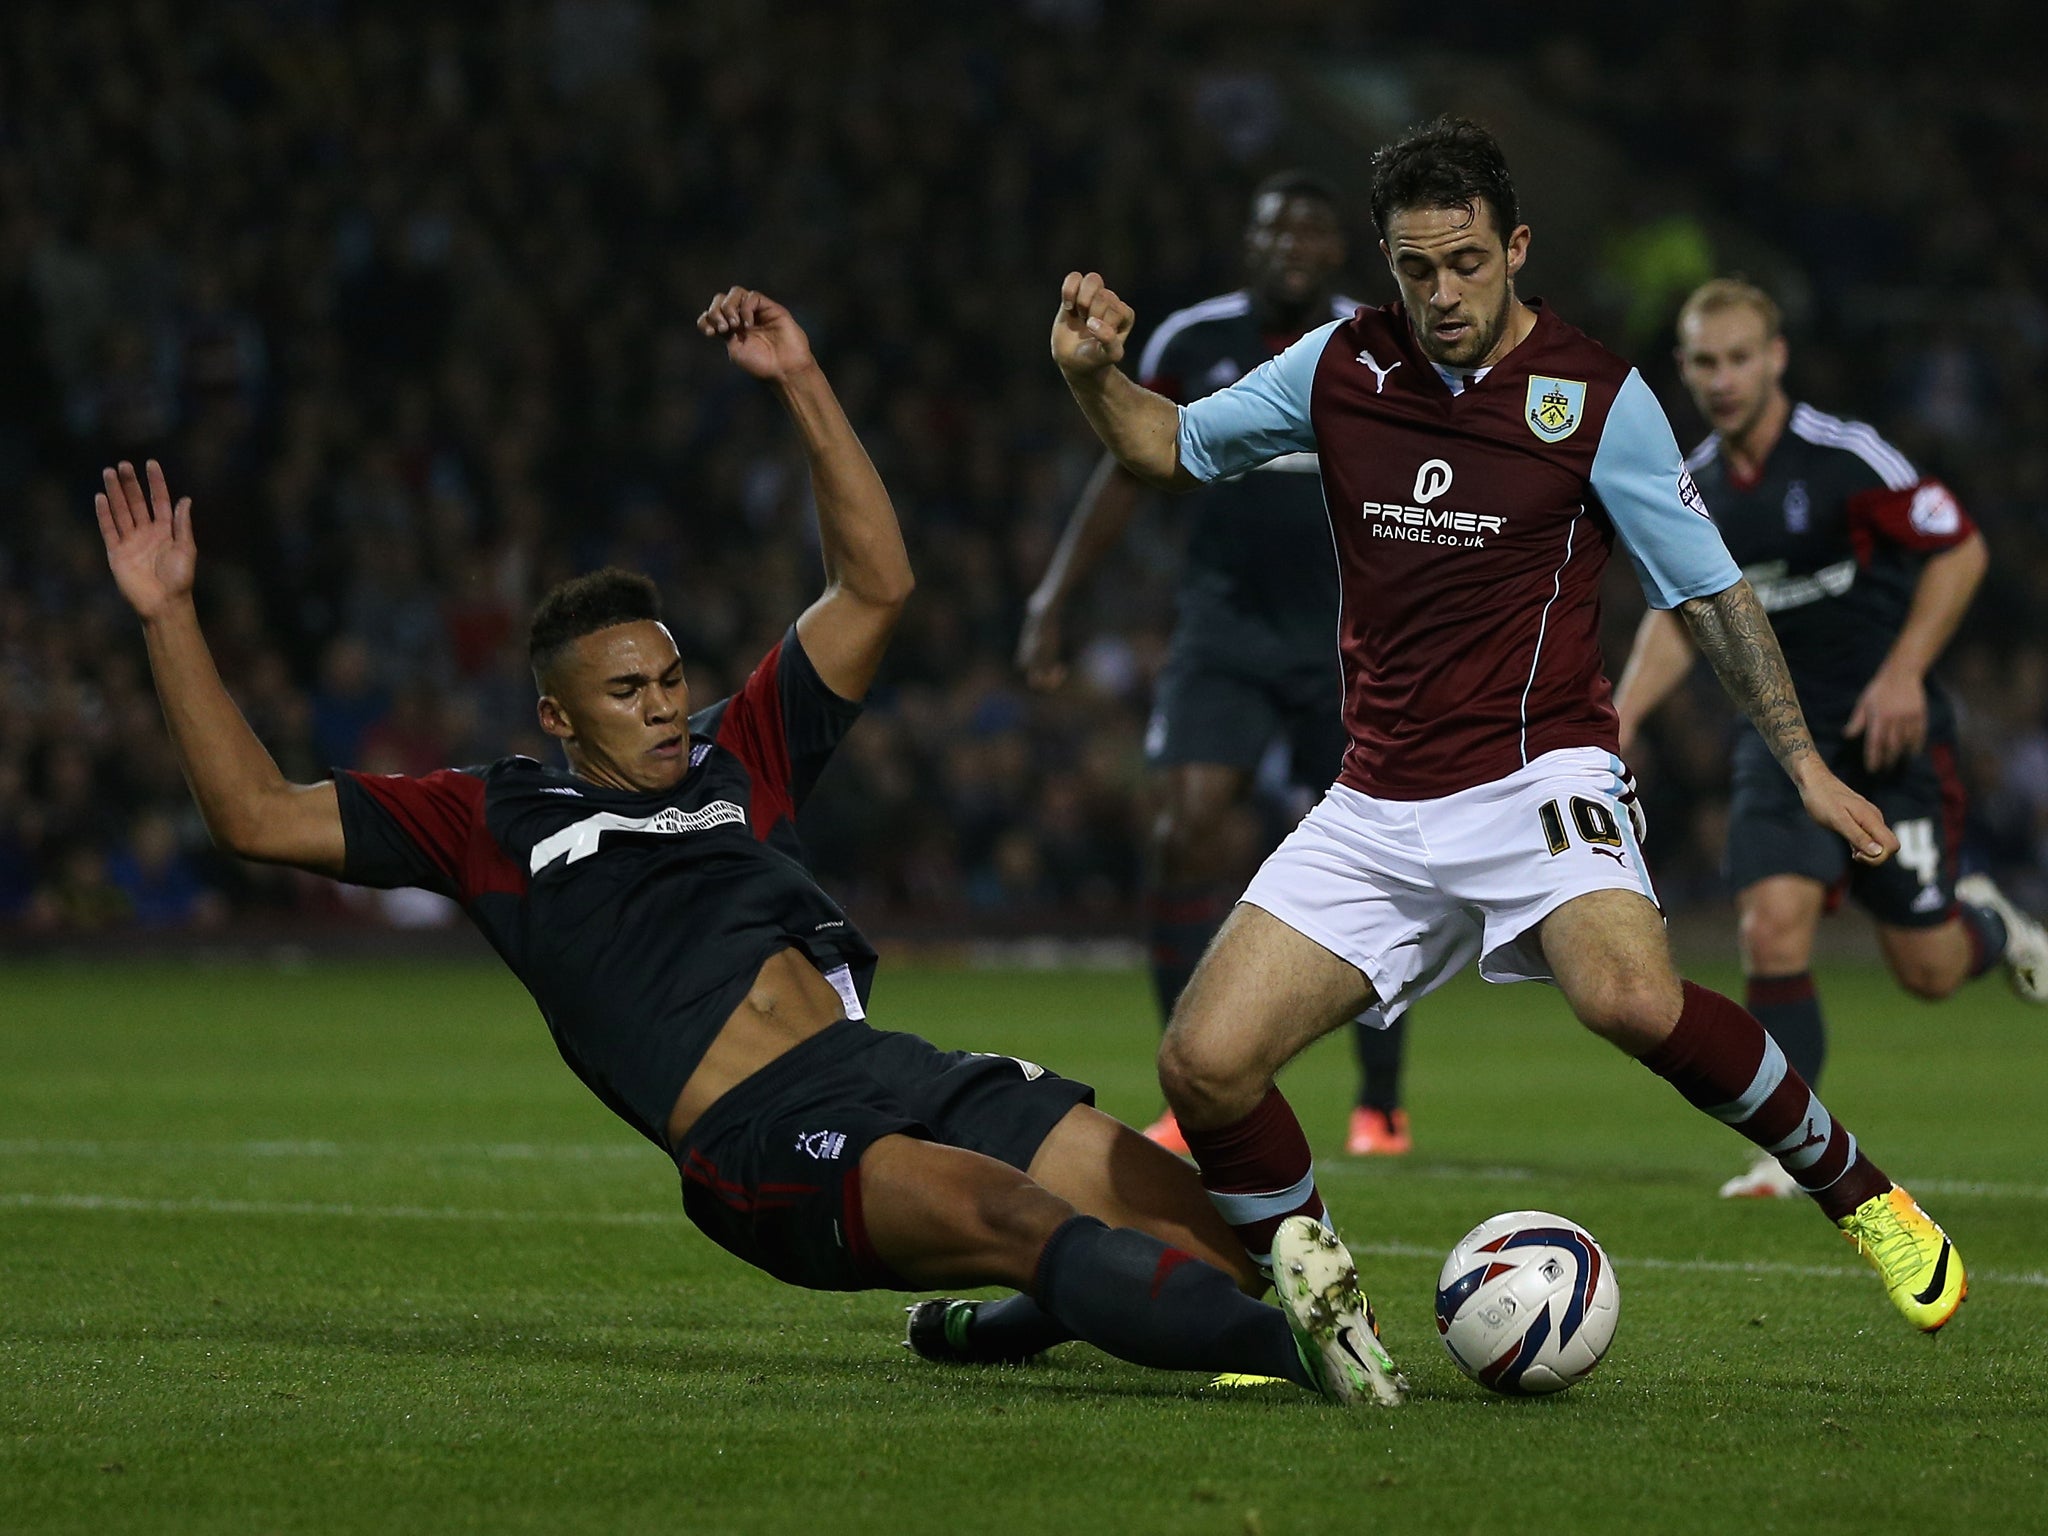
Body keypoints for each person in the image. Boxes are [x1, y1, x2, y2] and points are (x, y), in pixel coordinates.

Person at [93, 288, 1406, 1407]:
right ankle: (1315, 1363)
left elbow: (877, 588)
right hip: (764, 1134)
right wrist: (166, 617)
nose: (664, 705)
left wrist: (803, 379)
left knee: (1198, 1230)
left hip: (889, 1064)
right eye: (627, 693)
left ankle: (1021, 1319)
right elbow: (252, 812)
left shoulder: (738, 755)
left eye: (669, 679)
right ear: (556, 715)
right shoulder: (494, 819)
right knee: (1032, 1224)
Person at [1049, 116, 1966, 1335]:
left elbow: (1708, 591)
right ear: (1386, 263)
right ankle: (1320, 1323)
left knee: (1628, 1001)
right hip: (1375, 798)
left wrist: (1799, 761)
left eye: (1466, 262)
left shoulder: (1594, 397)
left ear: (1515, 246)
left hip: (1536, 774)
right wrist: (1089, 377)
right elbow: (1166, 443)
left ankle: (1858, 1193)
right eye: (1415, 268)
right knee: (1202, 1066)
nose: (1441, 293)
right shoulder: (1335, 367)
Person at [1614, 277, 2048, 1198]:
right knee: (1771, 930)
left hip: (1887, 740)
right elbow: (1679, 615)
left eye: (1739, 358)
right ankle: (1789, 1149)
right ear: (1684, 371)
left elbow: (1959, 549)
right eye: (1704, 362)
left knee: (1928, 968)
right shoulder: (1690, 488)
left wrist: (1902, 674)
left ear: (1775, 359)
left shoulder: (1846, 458)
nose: (1723, 379)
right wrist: (1620, 719)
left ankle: (1989, 923)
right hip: (1780, 745)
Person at [1017, 171, 1413, 1159]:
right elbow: (1127, 466)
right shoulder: (1189, 342)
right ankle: (1189, 1083)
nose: (1288, 245)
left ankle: (1379, 1101)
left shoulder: (1377, 347)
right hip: (1224, 627)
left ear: (1334, 252)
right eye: (1271, 229)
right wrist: (1054, 597)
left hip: (1350, 635)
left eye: (1308, 232)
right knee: (1179, 826)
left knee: (1384, 857)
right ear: (1249, 243)